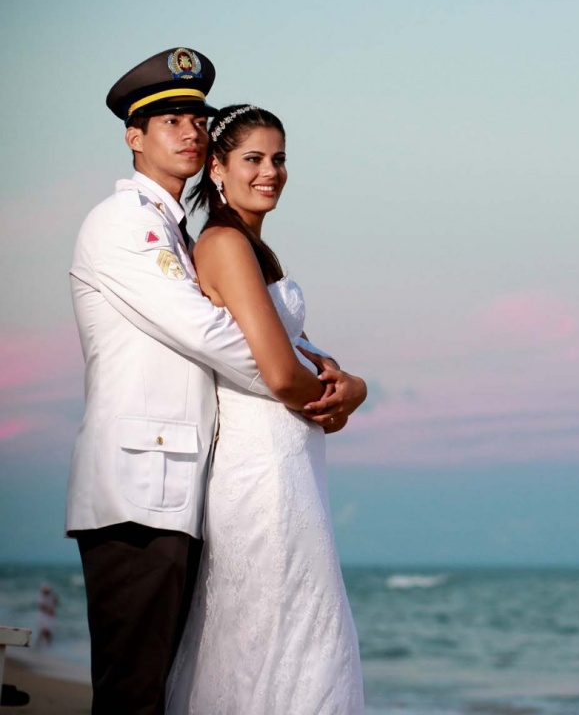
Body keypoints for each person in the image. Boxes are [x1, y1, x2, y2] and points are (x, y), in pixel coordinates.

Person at [67, 48, 359, 715]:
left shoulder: (176, 230)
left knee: (170, 682)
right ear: (133, 137)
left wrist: (323, 371)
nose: (190, 130)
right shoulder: (125, 225)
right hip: (136, 488)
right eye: (170, 119)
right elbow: (213, 336)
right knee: (133, 690)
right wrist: (308, 385)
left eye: (196, 117)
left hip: (184, 483)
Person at [165, 104, 367, 714]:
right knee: (275, 626)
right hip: (264, 473)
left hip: (292, 464)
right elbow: (281, 374)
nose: (271, 172)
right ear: (217, 168)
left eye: (279, 159)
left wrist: (353, 386)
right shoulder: (225, 243)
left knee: (297, 624)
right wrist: (342, 400)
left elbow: (303, 356)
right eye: (253, 159)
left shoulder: (256, 246)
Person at [35, 583, 59, 649]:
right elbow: (41, 607)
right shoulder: (41, 597)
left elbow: (56, 603)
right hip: (43, 616)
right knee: (43, 631)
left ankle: (47, 647)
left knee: (49, 632)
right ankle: (40, 646)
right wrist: (49, 610)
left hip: (49, 617)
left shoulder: (50, 597)